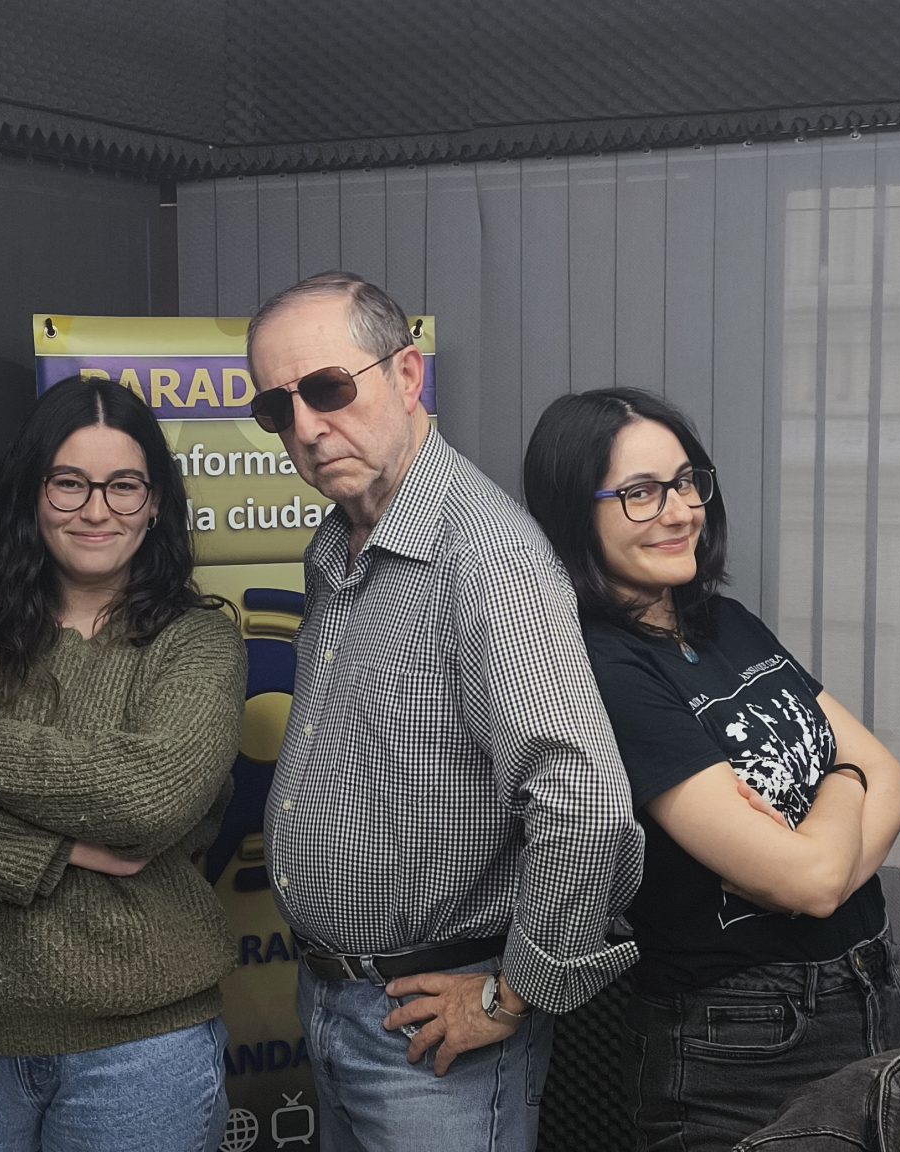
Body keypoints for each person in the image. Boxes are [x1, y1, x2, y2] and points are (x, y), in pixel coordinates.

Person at [247, 270, 645, 1151]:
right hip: (333, 1001)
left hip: (432, 1032)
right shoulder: (340, 543)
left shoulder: (486, 554)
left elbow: (585, 806)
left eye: (327, 388)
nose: (306, 428)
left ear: (407, 374)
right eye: (277, 408)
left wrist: (512, 995)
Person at [0, 378, 246, 1152]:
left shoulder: (197, 643)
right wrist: (61, 850)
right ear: (31, 493)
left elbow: (146, 800)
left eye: (123, 485)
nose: (96, 510)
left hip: (139, 1055)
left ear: (154, 503)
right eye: (69, 483)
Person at [520, 387, 900, 1151]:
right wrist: (843, 787)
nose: (679, 511)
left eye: (685, 481)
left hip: (875, 991)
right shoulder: (603, 669)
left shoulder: (727, 624)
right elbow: (812, 877)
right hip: (746, 1040)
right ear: (575, 514)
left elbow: (893, 781)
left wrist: (822, 846)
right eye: (640, 492)